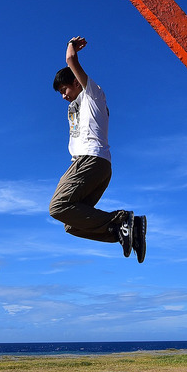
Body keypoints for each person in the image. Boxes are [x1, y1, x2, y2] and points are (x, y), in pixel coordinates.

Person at [48, 36, 147, 262]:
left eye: (65, 89)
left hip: (90, 160)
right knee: (72, 225)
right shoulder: (79, 106)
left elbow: (71, 60)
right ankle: (126, 231)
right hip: (97, 166)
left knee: (58, 206)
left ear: (76, 82)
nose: (64, 96)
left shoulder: (92, 94)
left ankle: (122, 221)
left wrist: (70, 47)